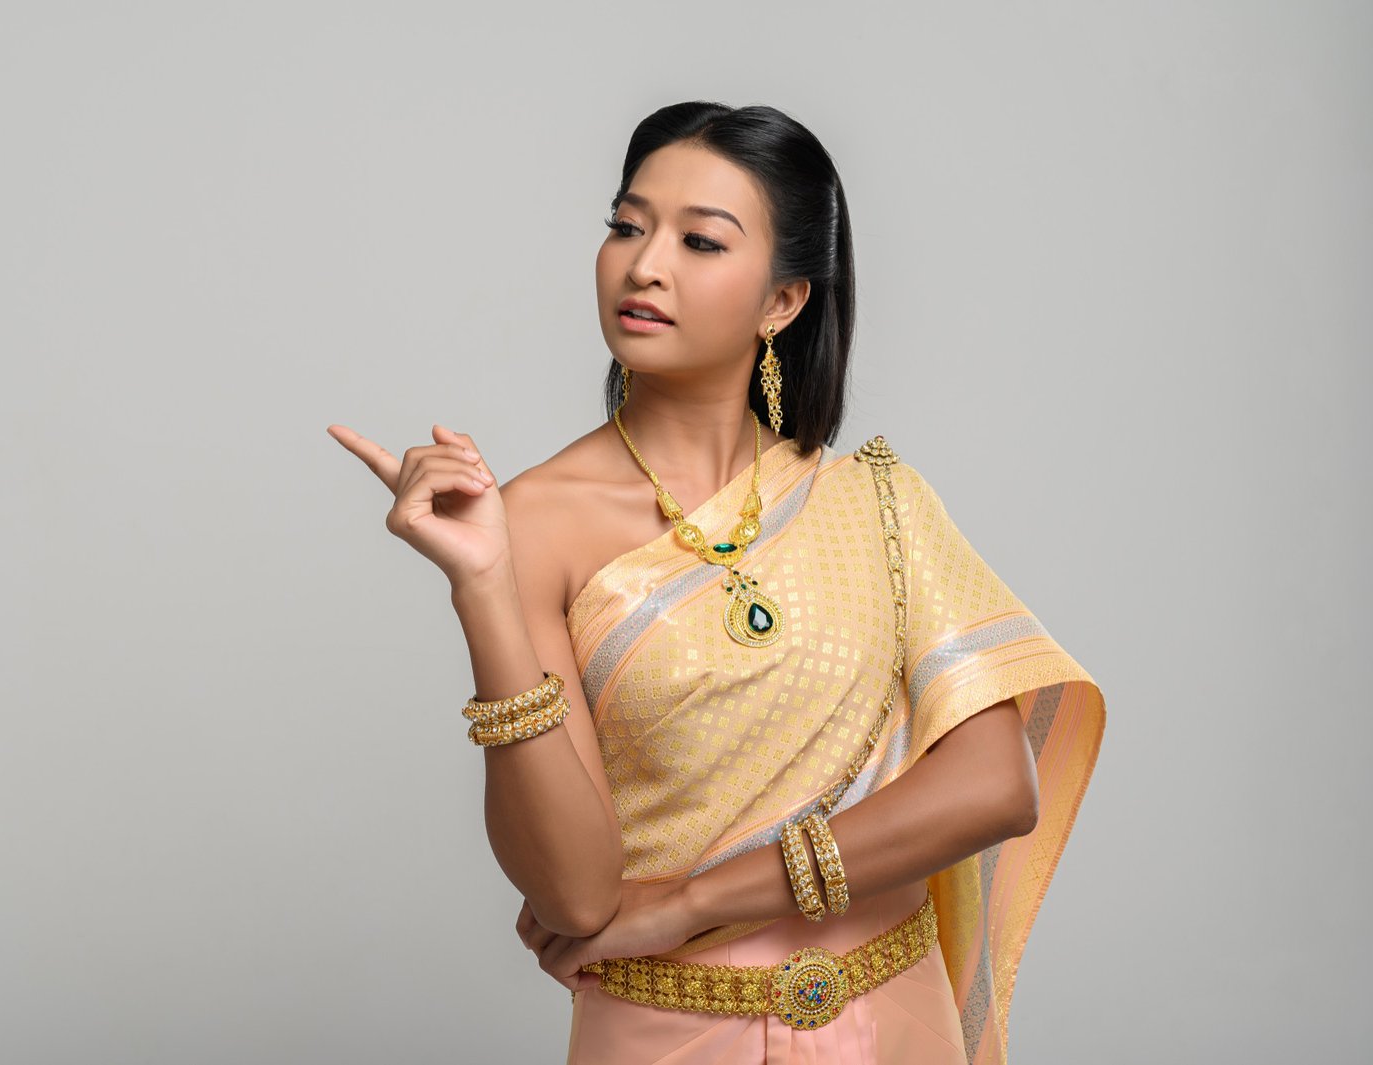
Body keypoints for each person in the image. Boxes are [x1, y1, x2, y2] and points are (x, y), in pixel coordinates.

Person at [327, 101, 1105, 1065]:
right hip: (666, 1032)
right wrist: (481, 585)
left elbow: (994, 785)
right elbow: (574, 894)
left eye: (700, 241)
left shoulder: (877, 503)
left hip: (895, 1023)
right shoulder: (529, 523)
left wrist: (695, 901)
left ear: (784, 300)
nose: (644, 265)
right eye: (626, 226)